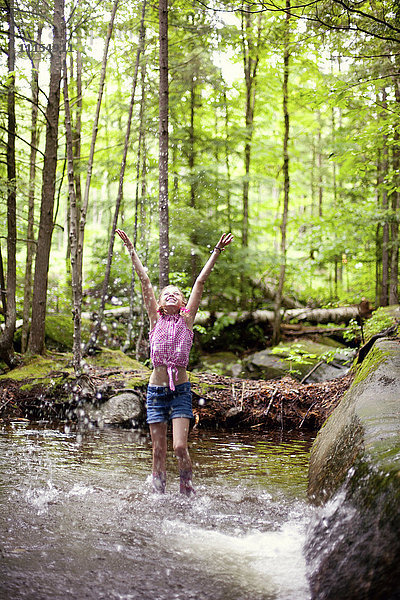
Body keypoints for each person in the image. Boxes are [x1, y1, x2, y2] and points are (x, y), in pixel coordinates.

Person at [116, 229, 233, 496]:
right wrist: (131, 250)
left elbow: (200, 283)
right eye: (166, 293)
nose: (171, 294)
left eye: (176, 293)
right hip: (156, 392)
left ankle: (187, 492)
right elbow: (145, 282)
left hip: (180, 391)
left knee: (180, 447)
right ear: (158, 302)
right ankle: (158, 498)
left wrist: (215, 252)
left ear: (182, 303)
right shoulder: (154, 321)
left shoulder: (186, 321)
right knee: (158, 451)